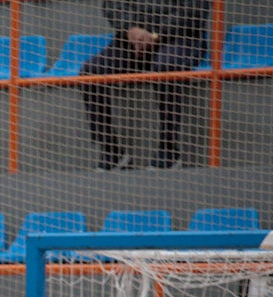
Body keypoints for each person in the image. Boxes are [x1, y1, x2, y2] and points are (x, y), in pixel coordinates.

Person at [80, 0, 211, 170]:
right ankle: (111, 151)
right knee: (91, 71)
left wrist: (156, 34)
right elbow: (111, 4)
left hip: (181, 38)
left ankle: (168, 150)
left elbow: (195, 8)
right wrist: (130, 28)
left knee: (165, 66)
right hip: (132, 40)